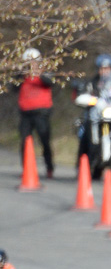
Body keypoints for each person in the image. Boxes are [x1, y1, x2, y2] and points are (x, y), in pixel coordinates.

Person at [12, 48, 54, 179]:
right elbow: (14, 87)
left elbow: (49, 82)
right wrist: (21, 74)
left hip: (41, 112)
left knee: (44, 140)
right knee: (25, 141)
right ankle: (26, 168)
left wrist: (38, 73)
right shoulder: (22, 75)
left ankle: (49, 167)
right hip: (26, 113)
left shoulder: (44, 72)